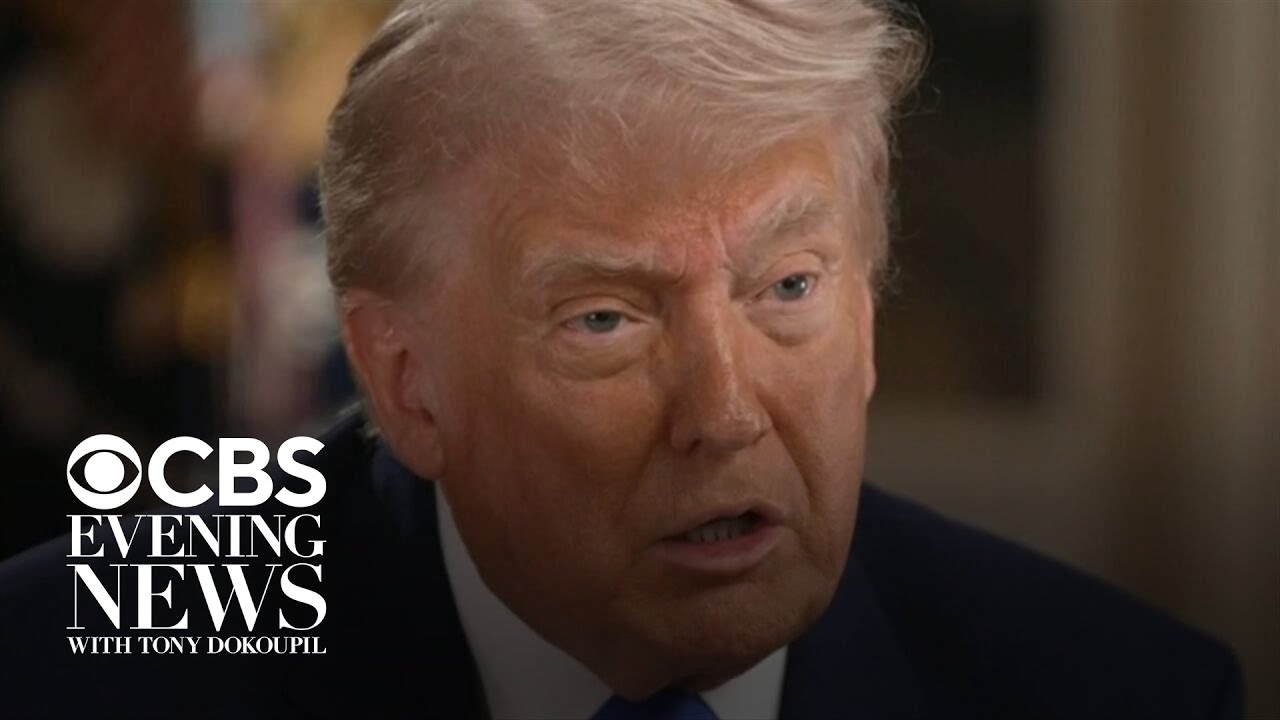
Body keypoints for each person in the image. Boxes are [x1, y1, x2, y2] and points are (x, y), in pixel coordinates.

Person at [0, 1, 1243, 718]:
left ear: (868, 313)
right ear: (405, 379)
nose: (724, 413)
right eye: (604, 319)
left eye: (788, 287)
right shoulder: (56, 668)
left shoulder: (1125, 693)